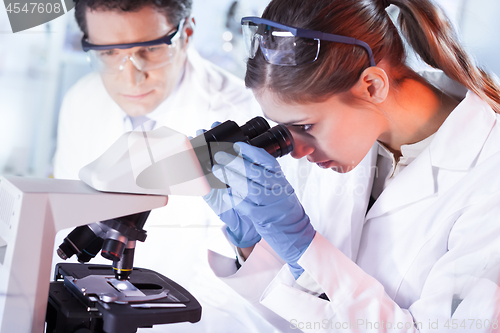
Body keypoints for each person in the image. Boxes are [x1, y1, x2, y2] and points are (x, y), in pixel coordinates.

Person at [204, 0, 500, 332]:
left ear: (373, 85)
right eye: (284, 129)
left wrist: (305, 247)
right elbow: (308, 318)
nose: (297, 151)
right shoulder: (344, 147)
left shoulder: (491, 178)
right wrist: (253, 243)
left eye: (305, 126)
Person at [51, 0, 282, 332]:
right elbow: (65, 218)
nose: (131, 76)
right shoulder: (81, 101)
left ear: (186, 33)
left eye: (149, 49)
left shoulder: (244, 113)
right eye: (108, 53)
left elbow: (256, 294)